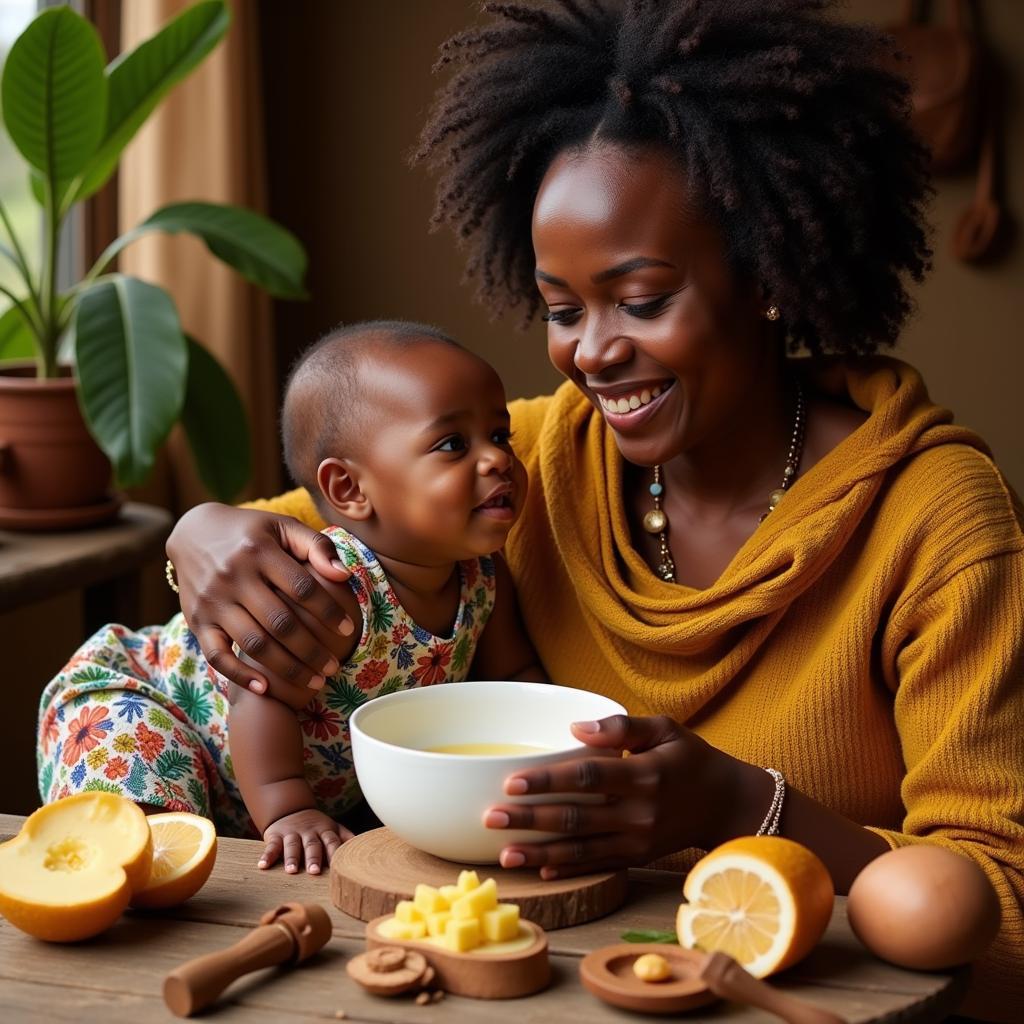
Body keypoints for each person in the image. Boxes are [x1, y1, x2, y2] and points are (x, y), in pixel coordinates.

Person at [70, 2, 1024, 1018]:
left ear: (768, 279)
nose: (591, 353)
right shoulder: (536, 457)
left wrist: (743, 805)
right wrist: (199, 530)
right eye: (562, 310)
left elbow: (998, 920)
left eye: (641, 299)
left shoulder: (937, 524)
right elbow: (304, 519)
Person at [38, 320, 541, 874]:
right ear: (349, 490)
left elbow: (512, 675)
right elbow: (260, 692)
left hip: (251, 779)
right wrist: (287, 808)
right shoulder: (330, 583)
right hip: (151, 703)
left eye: (500, 435)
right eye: (452, 444)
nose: (496, 460)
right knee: (136, 846)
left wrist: (556, 744)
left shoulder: (484, 576)